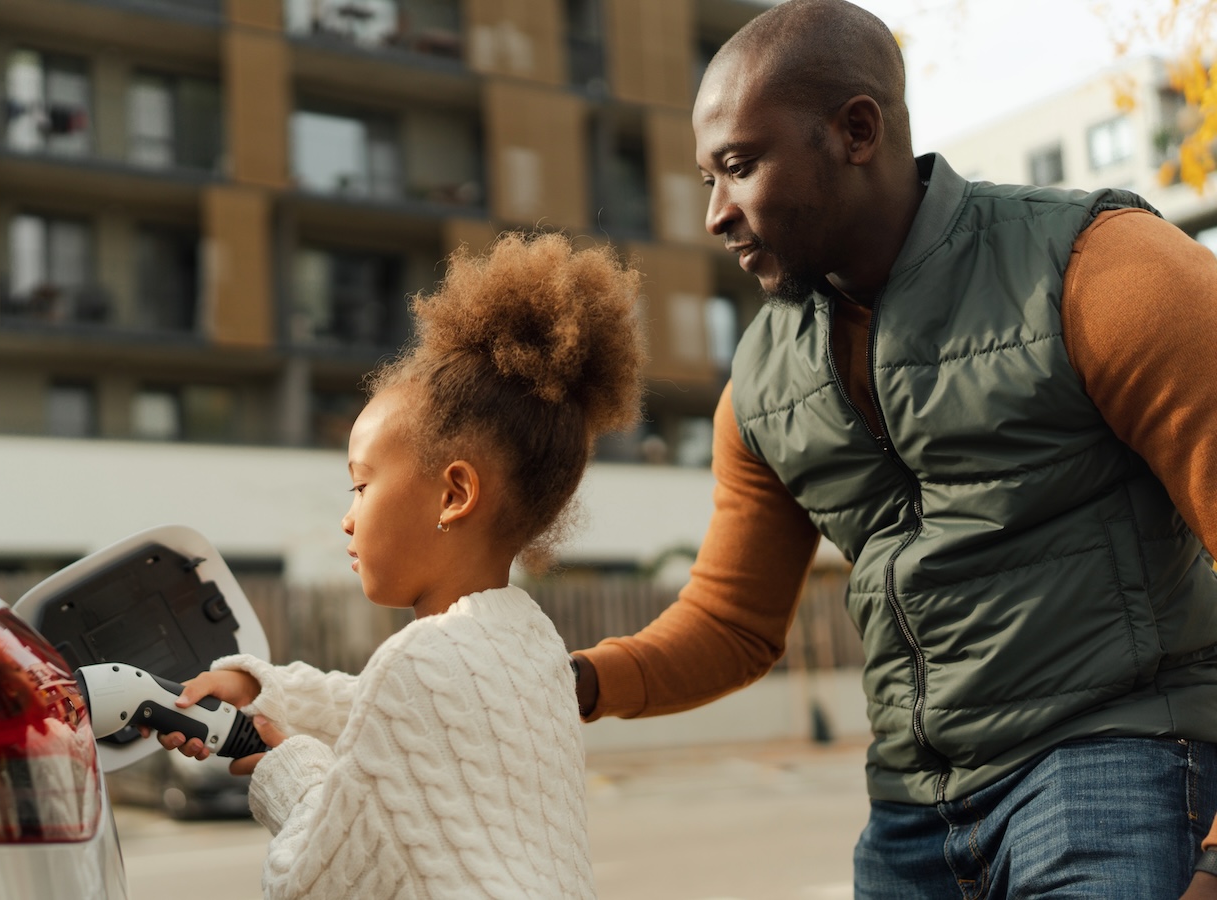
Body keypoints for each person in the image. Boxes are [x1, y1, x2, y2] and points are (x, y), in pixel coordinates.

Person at [568, 0, 1217, 897]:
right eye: (707, 178)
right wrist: (580, 683)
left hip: (1110, 762)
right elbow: (731, 624)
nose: (715, 213)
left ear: (857, 131)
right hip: (912, 818)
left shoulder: (1104, 271)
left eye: (740, 166)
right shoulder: (760, 382)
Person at [157, 233, 644, 898]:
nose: (348, 517)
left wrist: (283, 768)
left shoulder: (418, 664)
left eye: (361, 485)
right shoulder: (528, 647)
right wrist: (264, 691)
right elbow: (388, 716)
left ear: (454, 494)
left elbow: (310, 880)